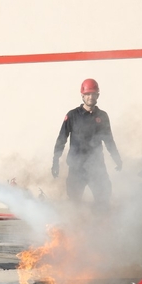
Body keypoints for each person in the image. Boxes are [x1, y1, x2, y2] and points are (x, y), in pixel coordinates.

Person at [52, 78, 122, 208]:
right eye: (88, 94)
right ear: (82, 96)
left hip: (96, 167)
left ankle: (101, 220)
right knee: (74, 203)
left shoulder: (102, 116)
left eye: (93, 94)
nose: (90, 97)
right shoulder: (72, 115)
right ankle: (78, 221)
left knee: (103, 200)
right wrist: (55, 161)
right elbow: (62, 139)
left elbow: (109, 140)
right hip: (76, 168)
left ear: (97, 96)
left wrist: (117, 158)